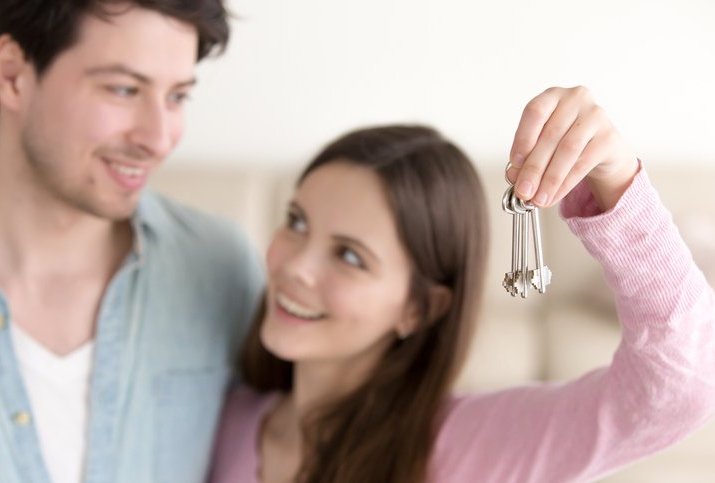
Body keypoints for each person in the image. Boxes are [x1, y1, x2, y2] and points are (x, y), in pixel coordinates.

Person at [209, 86, 715, 483]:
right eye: (296, 222)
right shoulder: (220, 418)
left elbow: (680, 390)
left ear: (422, 308)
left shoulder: (468, 444)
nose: (294, 266)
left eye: (348, 255)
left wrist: (618, 183)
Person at [0, 2, 263, 483]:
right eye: (123, 89)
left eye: (177, 97)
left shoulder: (219, 268)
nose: (158, 139)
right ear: (13, 74)